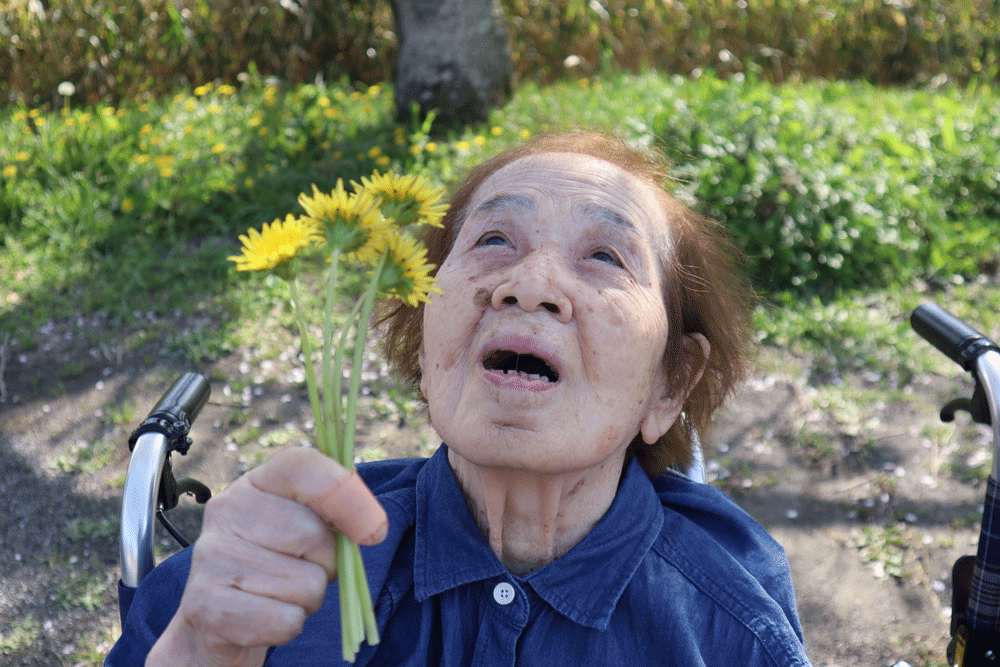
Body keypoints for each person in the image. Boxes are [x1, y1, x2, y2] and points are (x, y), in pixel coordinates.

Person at [106, 131, 812, 666]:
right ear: (427, 335)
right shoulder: (256, 589)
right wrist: (197, 648)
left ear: (671, 382)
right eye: (495, 239)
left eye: (604, 256)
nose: (528, 284)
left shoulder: (730, 631)